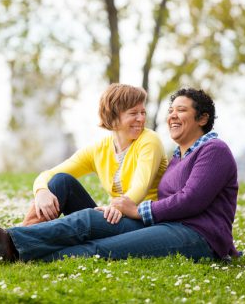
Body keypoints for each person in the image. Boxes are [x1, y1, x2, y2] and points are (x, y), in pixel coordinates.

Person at [0, 88, 240, 263]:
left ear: (202, 119)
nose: (171, 116)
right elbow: (54, 174)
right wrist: (41, 189)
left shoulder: (214, 151)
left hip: (198, 236)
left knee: (96, 246)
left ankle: (7, 246)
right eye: (170, 111)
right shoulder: (181, 156)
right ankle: (7, 245)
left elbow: (190, 200)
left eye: (181, 110)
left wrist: (138, 209)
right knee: (77, 209)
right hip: (162, 224)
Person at [21, 83, 167, 227]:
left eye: (143, 112)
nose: (141, 119)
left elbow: (140, 186)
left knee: (86, 218)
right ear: (113, 117)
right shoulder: (98, 150)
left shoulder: (149, 141)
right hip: (115, 217)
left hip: (141, 220)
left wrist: (117, 207)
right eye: (133, 113)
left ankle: (18, 240)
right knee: (61, 181)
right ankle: (22, 233)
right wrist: (41, 191)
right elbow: (49, 174)